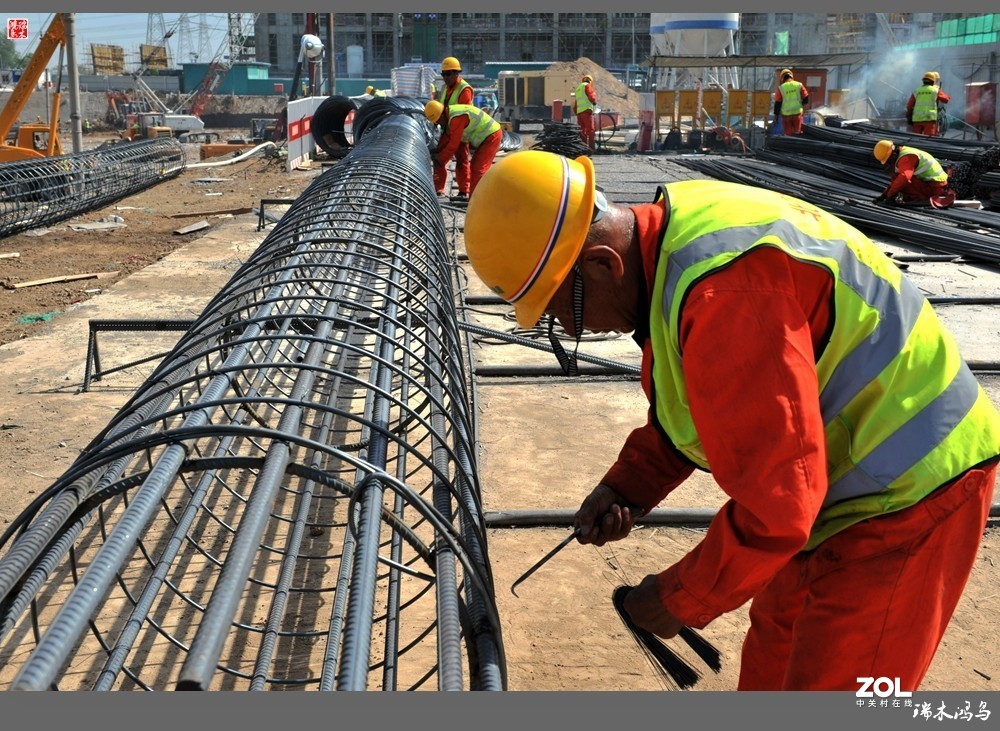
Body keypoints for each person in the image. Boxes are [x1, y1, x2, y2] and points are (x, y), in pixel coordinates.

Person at [462, 149, 1000, 691]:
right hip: (845, 483)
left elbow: (779, 503)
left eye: (563, 312)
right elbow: (701, 408)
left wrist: (675, 599)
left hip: (911, 487)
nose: (574, 330)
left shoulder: (726, 294)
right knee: (773, 668)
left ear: (603, 264)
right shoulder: (671, 251)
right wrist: (627, 486)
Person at [872, 139, 1000, 208]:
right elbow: (895, 180)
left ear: (893, 154)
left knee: (904, 183)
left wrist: (891, 195)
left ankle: (919, 199)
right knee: (898, 181)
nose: (889, 163)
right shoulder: (902, 155)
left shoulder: (907, 158)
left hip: (937, 188)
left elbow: (904, 177)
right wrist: (884, 195)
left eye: (888, 160)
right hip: (933, 184)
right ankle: (914, 197)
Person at [424, 100, 502, 198]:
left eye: (438, 121)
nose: (439, 124)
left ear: (442, 115)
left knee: (479, 169)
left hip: (492, 136)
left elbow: (453, 145)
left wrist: (440, 158)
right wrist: (438, 150)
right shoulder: (450, 115)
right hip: (487, 137)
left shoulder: (456, 118)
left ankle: (477, 200)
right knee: (474, 166)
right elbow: (448, 137)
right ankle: (474, 199)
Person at [434, 56, 474, 197]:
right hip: (448, 128)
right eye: (443, 74)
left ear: (457, 73)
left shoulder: (464, 89)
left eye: (448, 74)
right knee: (438, 158)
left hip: (460, 130)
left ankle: (464, 191)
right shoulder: (446, 88)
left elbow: (464, 114)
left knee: (462, 160)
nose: (445, 77)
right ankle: (438, 189)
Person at [906, 71, 950, 137]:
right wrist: (939, 90)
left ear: (923, 81)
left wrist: (908, 116)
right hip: (929, 119)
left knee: (915, 139)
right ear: (933, 81)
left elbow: (909, 106)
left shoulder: (917, 90)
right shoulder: (935, 90)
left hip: (917, 119)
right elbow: (946, 99)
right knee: (928, 140)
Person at [773, 69, 809, 136]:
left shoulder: (781, 88)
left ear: (782, 78)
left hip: (786, 116)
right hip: (797, 114)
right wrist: (800, 104)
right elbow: (806, 98)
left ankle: (789, 145)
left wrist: (776, 115)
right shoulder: (799, 85)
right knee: (798, 134)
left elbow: (778, 103)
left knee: (788, 135)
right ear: (791, 76)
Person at [572, 74, 597, 152]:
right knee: (591, 130)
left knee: (582, 131)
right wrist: (594, 102)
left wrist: (577, 112)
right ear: (590, 81)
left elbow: (576, 103)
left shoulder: (578, 88)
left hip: (579, 112)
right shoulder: (587, 86)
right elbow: (591, 96)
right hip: (586, 111)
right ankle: (591, 149)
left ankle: (583, 148)